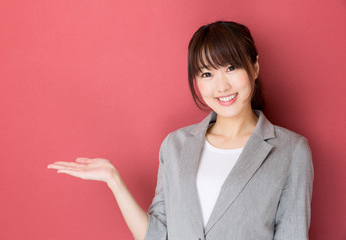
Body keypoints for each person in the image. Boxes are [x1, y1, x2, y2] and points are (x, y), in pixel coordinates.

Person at [47, 21, 314, 240]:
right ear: (196, 81)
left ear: (254, 67)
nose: (221, 86)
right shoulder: (175, 145)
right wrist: (114, 181)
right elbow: (156, 235)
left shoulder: (290, 150)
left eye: (231, 68)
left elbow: (293, 234)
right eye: (207, 74)